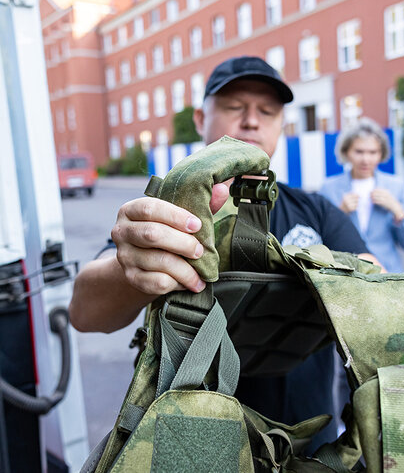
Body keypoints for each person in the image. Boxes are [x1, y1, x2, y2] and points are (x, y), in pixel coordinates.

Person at [69, 56, 380, 451]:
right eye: (234, 107)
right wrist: (129, 269)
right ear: (200, 119)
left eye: (267, 111)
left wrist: (393, 299)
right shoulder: (166, 210)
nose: (251, 120)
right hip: (196, 443)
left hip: (309, 445)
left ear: (281, 125)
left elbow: (372, 270)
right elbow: (83, 313)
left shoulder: (315, 210)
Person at [319, 117, 404, 273]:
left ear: (381, 154)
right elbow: (318, 243)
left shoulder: (395, 186)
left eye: (373, 152)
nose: (366, 159)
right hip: (345, 275)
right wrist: (339, 213)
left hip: (387, 274)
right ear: (346, 152)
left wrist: (397, 210)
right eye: (359, 152)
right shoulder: (329, 188)